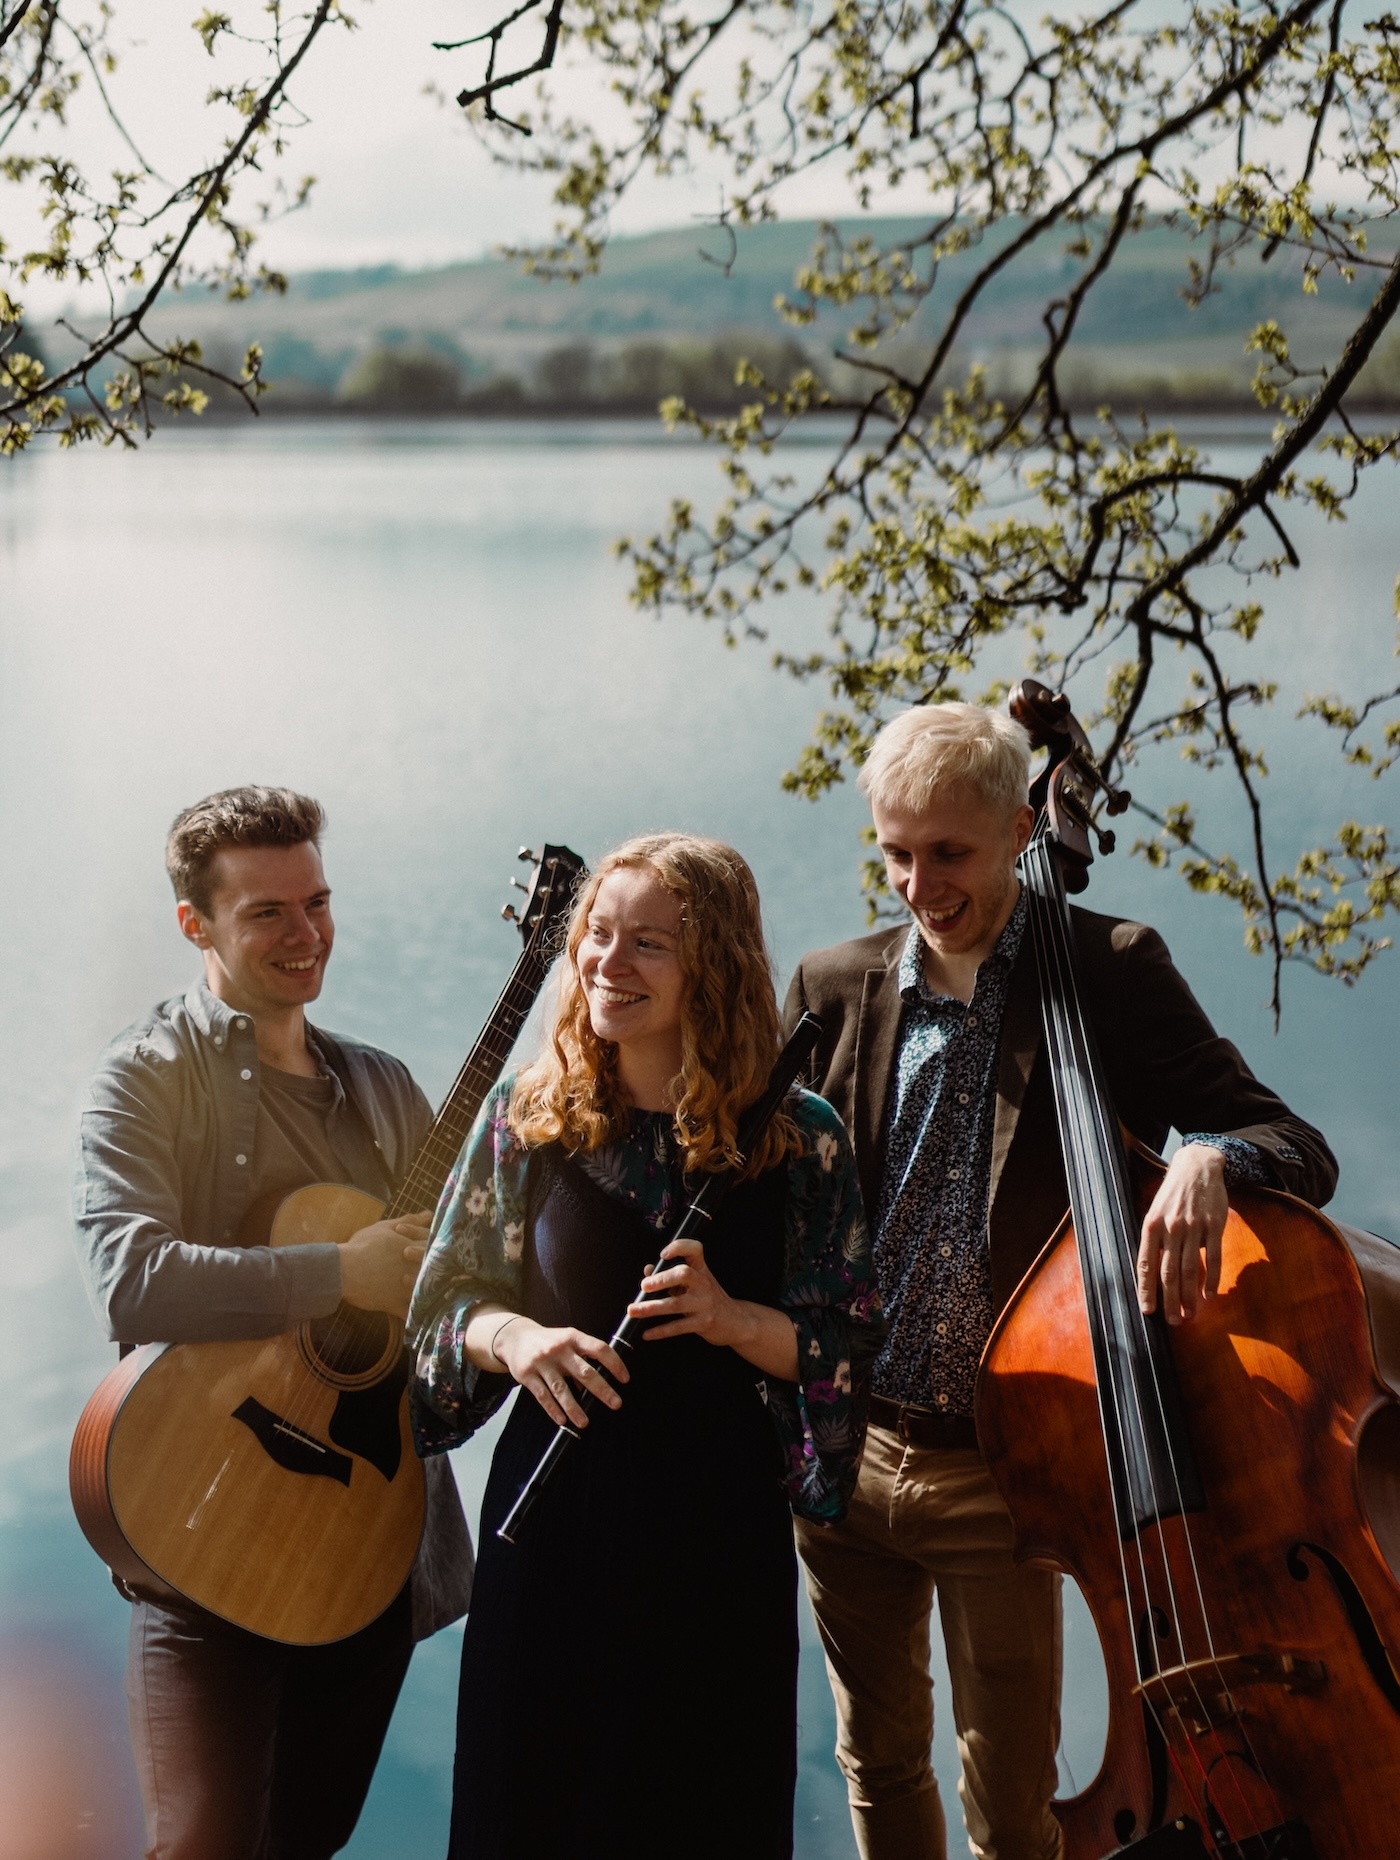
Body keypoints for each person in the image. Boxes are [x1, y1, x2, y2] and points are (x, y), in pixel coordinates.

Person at [784, 704, 1338, 1860]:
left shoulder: (1107, 968)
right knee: (874, 1762)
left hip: (1000, 1478)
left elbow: (1292, 1144)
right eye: (894, 853)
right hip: (842, 1456)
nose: (917, 885)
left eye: (948, 853)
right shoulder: (830, 984)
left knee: (1011, 1806)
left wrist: (1206, 1158)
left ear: (1016, 827)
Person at [409, 832, 884, 1860]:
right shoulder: (529, 1115)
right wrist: (514, 1337)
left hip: (713, 1547)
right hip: (549, 1535)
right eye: (597, 934)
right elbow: (438, 1314)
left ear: (713, 965)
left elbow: (846, 1346)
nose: (606, 964)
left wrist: (732, 1319)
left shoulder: (796, 1135)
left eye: (647, 945)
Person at [72, 786, 474, 1860]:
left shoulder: (383, 1088)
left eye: (318, 903)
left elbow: (448, 1304)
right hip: (199, 1538)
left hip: (366, 1542)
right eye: (267, 914)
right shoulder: (145, 1079)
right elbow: (130, 1280)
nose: (306, 935)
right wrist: (335, 1272)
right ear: (194, 924)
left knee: (309, 1839)